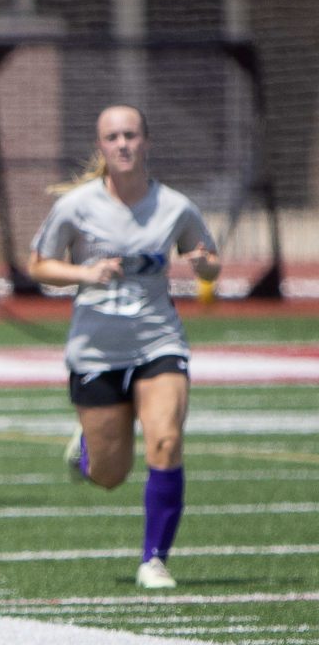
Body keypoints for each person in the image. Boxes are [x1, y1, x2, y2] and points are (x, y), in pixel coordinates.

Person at [27, 104, 220, 590]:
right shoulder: (77, 206)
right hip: (95, 349)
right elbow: (39, 266)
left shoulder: (175, 206)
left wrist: (204, 267)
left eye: (131, 135)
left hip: (159, 340)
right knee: (110, 475)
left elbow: (209, 258)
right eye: (112, 138)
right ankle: (88, 450)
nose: (123, 145)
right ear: (101, 147)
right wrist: (84, 273)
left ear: (147, 141)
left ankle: (154, 560)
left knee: (166, 439)